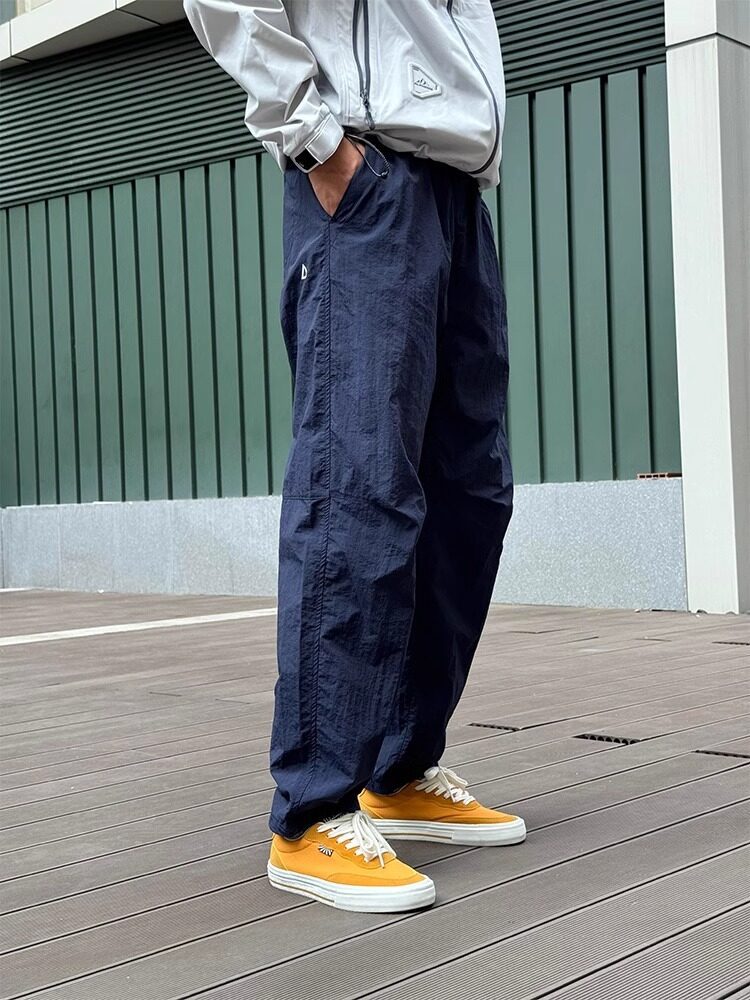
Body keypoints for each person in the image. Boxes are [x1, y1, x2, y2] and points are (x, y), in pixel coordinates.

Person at [183, 0, 524, 913]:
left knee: (469, 496)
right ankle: (313, 810)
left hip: (457, 192)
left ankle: (400, 767)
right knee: (357, 489)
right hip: (366, 178)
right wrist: (317, 143)